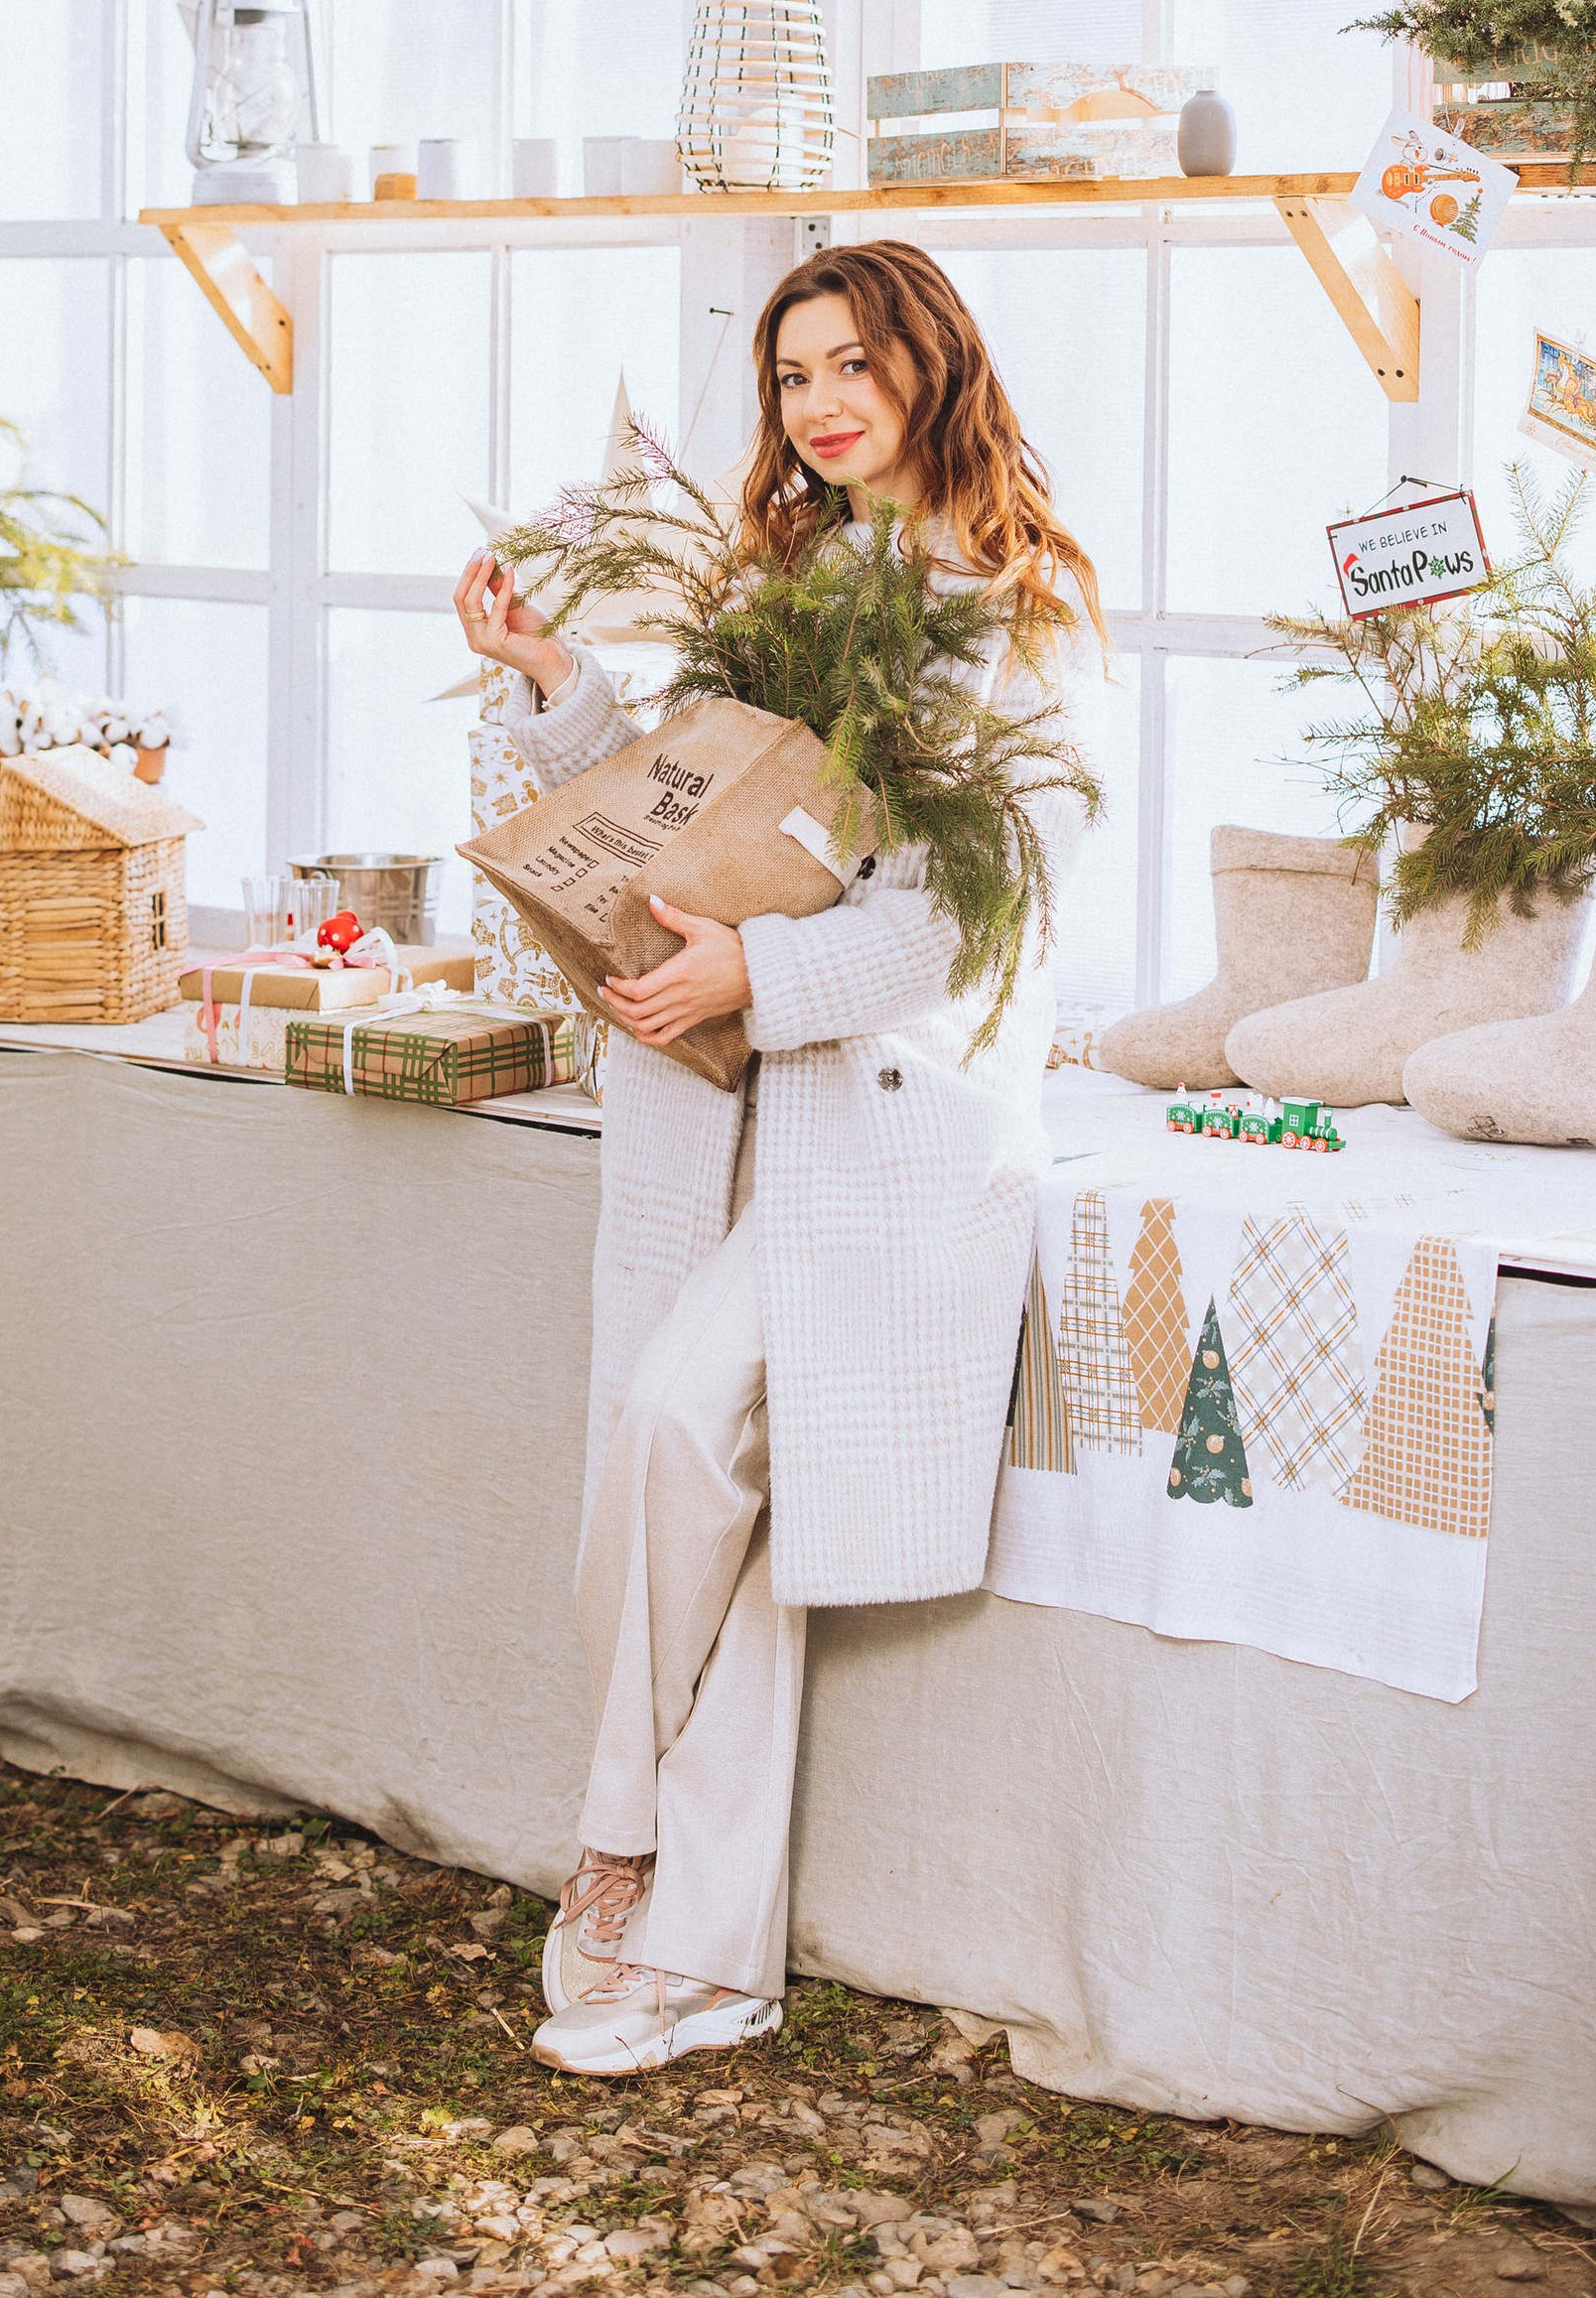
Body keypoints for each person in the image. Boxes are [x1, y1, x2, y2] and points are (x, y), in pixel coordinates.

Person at [453, 240, 1104, 2078]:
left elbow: (984, 926)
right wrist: (557, 680)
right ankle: (708, 1957)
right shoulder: (793, 577)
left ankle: (619, 1838)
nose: (819, 401)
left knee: (677, 1424)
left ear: (931, 368)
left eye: (851, 362)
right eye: (791, 373)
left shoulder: (1021, 609)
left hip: (884, 1119)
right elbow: (699, 794)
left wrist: (767, 967)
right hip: (720, 1096)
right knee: (711, 1508)